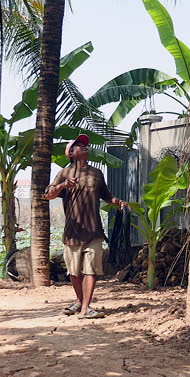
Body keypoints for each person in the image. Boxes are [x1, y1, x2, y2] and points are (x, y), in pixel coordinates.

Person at [44, 134, 128, 319]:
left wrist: (118, 202)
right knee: (74, 272)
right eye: (79, 146)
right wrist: (63, 186)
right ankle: (80, 302)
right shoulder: (64, 173)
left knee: (91, 270)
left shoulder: (96, 173)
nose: (84, 147)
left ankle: (85, 308)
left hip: (94, 231)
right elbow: (48, 194)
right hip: (72, 231)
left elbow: (106, 195)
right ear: (71, 153)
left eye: (85, 145)